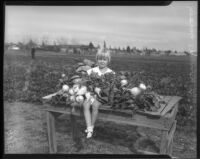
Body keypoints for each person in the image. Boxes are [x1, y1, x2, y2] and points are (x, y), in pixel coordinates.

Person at [83, 49, 115, 138]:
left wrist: (100, 91)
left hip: (102, 96)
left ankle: (91, 127)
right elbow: (87, 83)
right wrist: (91, 90)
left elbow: (110, 88)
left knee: (95, 105)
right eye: (100, 59)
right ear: (97, 59)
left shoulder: (111, 73)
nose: (102, 61)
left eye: (104, 59)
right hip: (91, 93)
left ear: (108, 60)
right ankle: (89, 127)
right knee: (86, 104)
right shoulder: (91, 71)